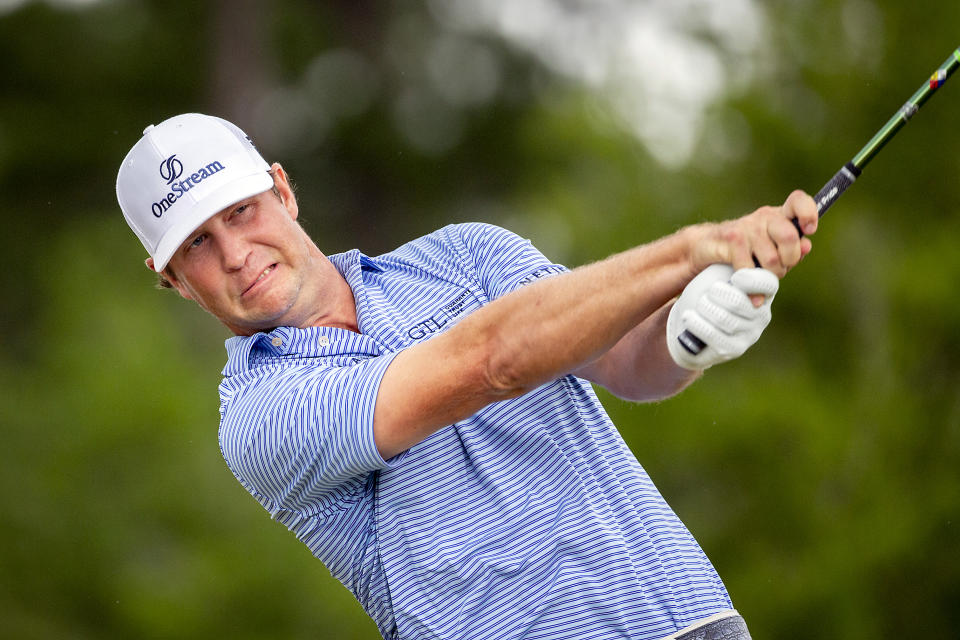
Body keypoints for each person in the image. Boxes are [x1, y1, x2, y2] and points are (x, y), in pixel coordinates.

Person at [116, 113, 817, 640]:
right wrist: (694, 250)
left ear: (282, 189)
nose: (236, 253)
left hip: (692, 621)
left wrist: (686, 332)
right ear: (171, 277)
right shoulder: (260, 418)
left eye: (241, 211)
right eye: (199, 244)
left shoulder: (467, 254)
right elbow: (492, 363)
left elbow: (628, 364)